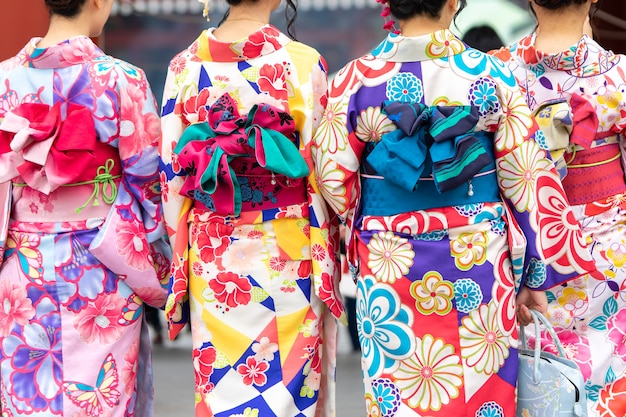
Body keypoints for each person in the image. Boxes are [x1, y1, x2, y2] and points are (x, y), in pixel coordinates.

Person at [312, 0, 600, 415]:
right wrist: (535, 275)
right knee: (480, 393)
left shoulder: (355, 81)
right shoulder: (490, 75)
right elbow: (528, 180)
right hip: (478, 257)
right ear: (452, 3)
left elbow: (330, 177)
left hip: (390, 260)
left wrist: (367, 217)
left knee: (401, 393)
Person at [159, 0, 345, 415]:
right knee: (290, 389)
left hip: (213, 255)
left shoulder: (184, 66)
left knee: (220, 387)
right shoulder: (302, 62)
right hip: (288, 248)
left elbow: (172, 177)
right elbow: (319, 169)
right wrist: (331, 243)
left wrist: (181, 249)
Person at [0, 0, 170, 416]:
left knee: (27, 393)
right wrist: (158, 258)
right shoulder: (121, 80)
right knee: (100, 399)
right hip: (101, 269)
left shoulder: (4, 79)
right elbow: (149, 182)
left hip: (23, 265)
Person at [492, 0, 626, 415]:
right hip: (612, 246)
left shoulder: (498, 71)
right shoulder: (618, 72)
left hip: (534, 247)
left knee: (545, 373)